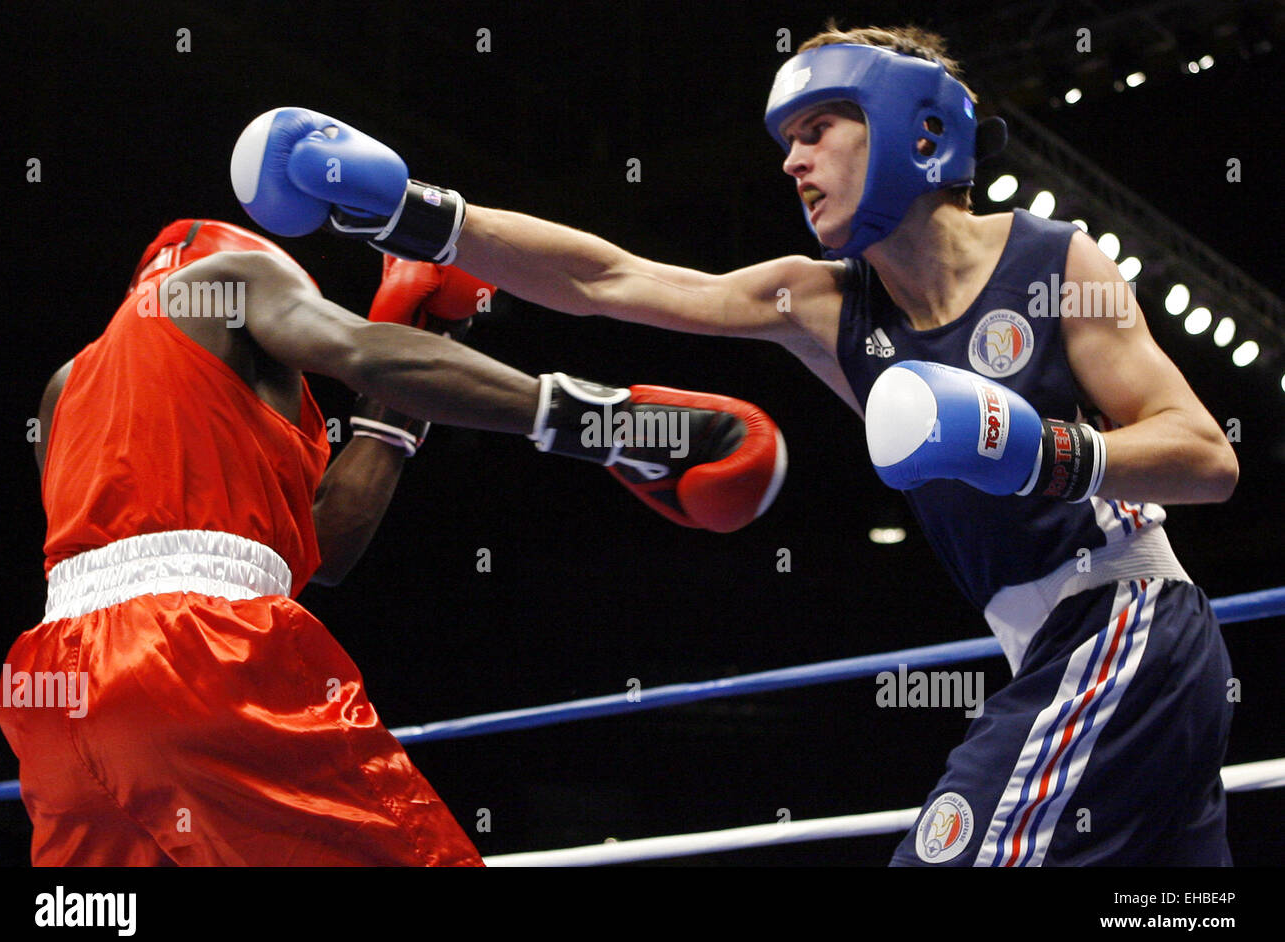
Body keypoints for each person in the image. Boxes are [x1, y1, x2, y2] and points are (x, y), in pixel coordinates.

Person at [232, 21, 1240, 866]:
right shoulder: (823, 300)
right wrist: (414, 215)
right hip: (1056, 653)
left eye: (817, 129)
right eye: (784, 139)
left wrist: (1049, 453)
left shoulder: (1055, 259)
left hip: (1126, 620)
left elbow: (1206, 455)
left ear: (910, 127)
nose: (791, 161)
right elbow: (611, 279)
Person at [0, 218, 785, 866]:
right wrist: (609, 422)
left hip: (51, 696)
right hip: (196, 654)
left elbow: (321, 552)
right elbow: (362, 353)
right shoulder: (223, 281)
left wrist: (396, 405)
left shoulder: (68, 387)